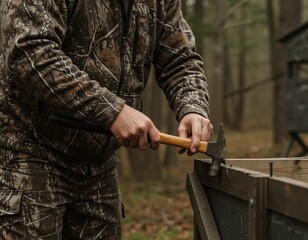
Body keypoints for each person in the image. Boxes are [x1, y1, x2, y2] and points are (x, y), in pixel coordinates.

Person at [0, 0, 212, 238]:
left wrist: (193, 107)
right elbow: (28, 52)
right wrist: (112, 111)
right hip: (30, 152)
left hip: (100, 166)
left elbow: (179, 59)